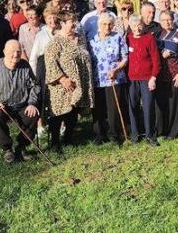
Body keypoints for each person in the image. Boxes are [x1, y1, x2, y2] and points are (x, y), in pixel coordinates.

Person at [0, 40, 41, 163]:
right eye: (12, 52)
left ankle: (22, 147)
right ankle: (7, 149)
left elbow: (35, 86)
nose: (15, 56)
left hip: (22, 105)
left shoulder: (25, 65)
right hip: (2, 106)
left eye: (18, 52)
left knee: (33, 113)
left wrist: (32, 103)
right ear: (4, 52)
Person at [44, 11, 94, 153]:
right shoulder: (55, 42)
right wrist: (63, 79)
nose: (74, 24)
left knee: (73, 111)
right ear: (62, 23)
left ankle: (68, 139)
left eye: (75, 20)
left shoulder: (81, 38)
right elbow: (51, 63)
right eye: (71, 21)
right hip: (61, 84)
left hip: (79, 84)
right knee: (59, 113)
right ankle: (54, 141)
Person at [89, 13, 129, 144]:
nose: (107, 26)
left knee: (113, 109)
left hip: (114, 78)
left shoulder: (117, 37)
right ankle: (100, 135)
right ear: (99, 25)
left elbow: (125, 58)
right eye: (104, 24)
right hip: (97, 80)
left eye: (110, 24)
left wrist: (116, 70)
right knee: (98, 108)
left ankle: (115, 134)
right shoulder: (92, 41)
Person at [126, 14, 161, 146]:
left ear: (143, 25)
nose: (137, 28)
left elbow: (156, 60)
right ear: (130, 26)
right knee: (133, 106)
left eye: (140, 25)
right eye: (134, 25)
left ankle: (150, 135)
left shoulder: (149, 38)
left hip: (147, 78)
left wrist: (153, 77)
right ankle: (135, 134)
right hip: (131, 79)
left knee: (148, 106)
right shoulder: (127, 39)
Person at [155, 11, 178, 139]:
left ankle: (173, 132)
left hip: (174, 75)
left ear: (173, 20)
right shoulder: (156, 35)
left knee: (174, 104)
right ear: (160, 21)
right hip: (159, 76)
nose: (167, 22)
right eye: (164, 20)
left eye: (169, 19)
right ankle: (161, 130)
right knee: (161, 104)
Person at [28, 8, 58, 135]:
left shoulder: (61, 32)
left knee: (57, 96)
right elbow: (33, 57)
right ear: (45, 20)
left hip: (58, 67)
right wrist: (35, 75)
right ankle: (40, 124)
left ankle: (59, 123)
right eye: (49, 18)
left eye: (54, 17)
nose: (52, 20)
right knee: (42, 96)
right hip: (43, 67)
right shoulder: (41, 35)